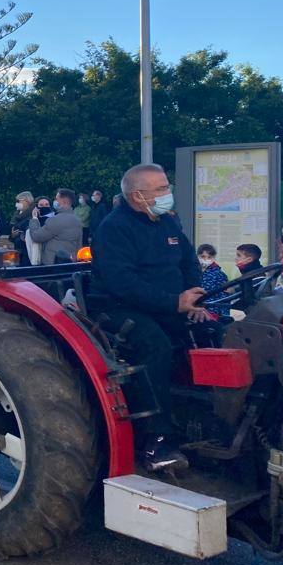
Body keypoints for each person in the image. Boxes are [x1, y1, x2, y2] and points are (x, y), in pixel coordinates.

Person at [91, 163, 210, 472]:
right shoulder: (113, 229)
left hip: (169, 305)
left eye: (166, 187)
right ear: (137, 196)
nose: (167, 193)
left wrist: (192, 295)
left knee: (213, 330)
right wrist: (174, 302)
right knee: (154, 345)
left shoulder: (167, 223)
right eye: (160, 189)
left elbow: (188, 261)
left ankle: (209, 418)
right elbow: (123, 284)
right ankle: (156, 440)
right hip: (119, 308)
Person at [28, 189, 82, 265]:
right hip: (70, 262)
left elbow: (36, 236)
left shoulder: (55, 220)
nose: (55, 201)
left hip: (52, 263)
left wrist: (34, 219)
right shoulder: (77, 220)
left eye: (56, 199)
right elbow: (79, 244)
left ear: (63, 201)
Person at [197, 244, 229, 317]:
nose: (205, 259)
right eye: (202, 256)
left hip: (212, 311)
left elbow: (224, 296)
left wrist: (224, 315)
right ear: (197, 256)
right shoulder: (192, 272)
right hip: (194, 309)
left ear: (213, 258)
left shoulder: (219, 274)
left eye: (209, 257)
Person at [9, 192, 35, 265]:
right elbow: (12, 229)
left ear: (27, 201)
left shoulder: (33, 214)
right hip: (18, 249)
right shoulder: (17, 214)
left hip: (27, 251)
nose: (17, 203)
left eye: (19, 201)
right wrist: (12, 235)